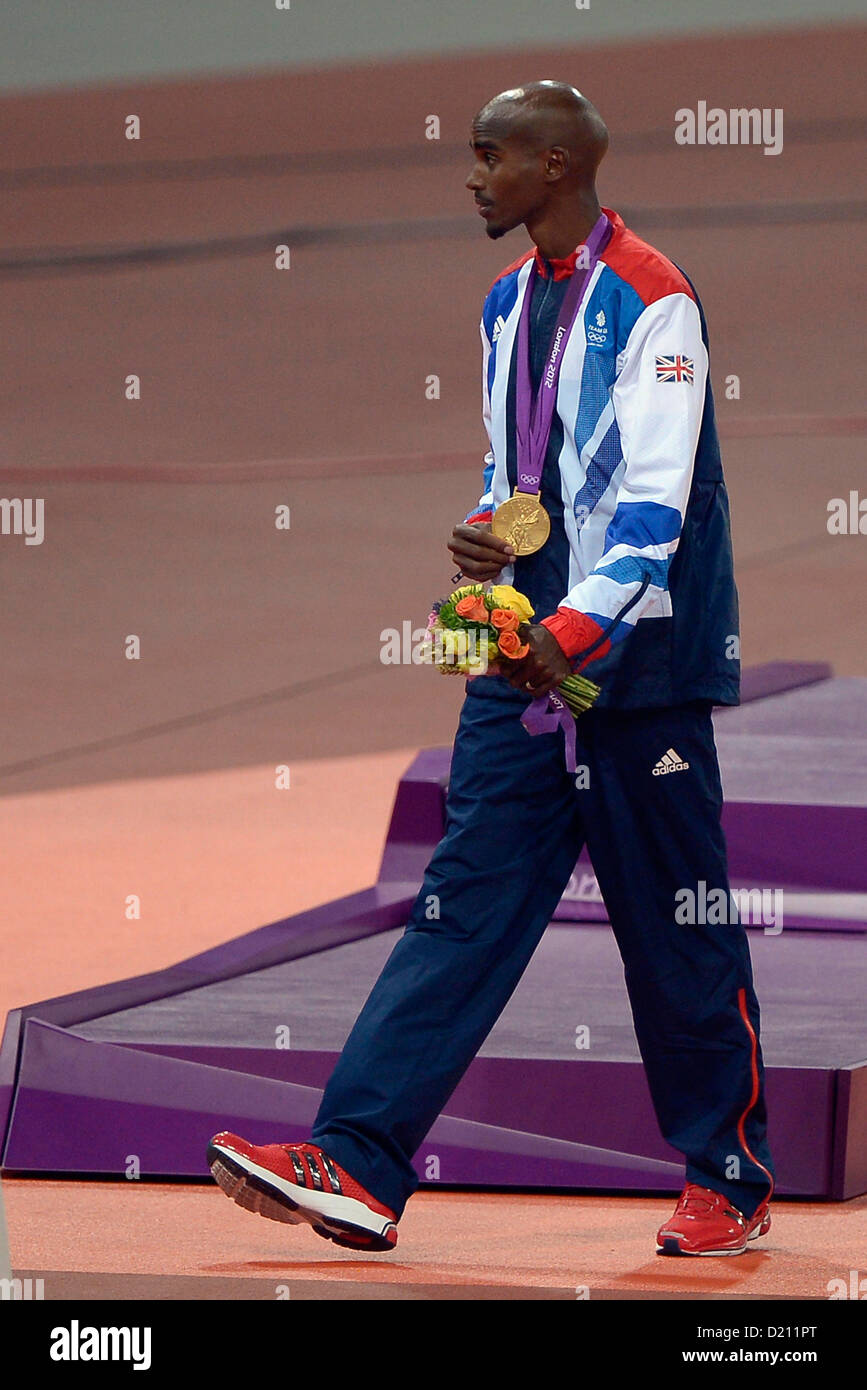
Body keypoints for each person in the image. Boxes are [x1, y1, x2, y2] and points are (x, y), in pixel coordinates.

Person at [208, 81, 775, 1258]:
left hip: (636, 668)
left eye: (491, 156)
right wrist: (486, 549)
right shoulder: (503, 305)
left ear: (558, 167)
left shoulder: (655, 302)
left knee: (676, 927)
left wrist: (568, 632)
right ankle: (358, 1161)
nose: (472, 176)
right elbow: (510, 473)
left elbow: (654, 508)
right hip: (520, 664)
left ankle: (727, 1170)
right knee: (461, 907)